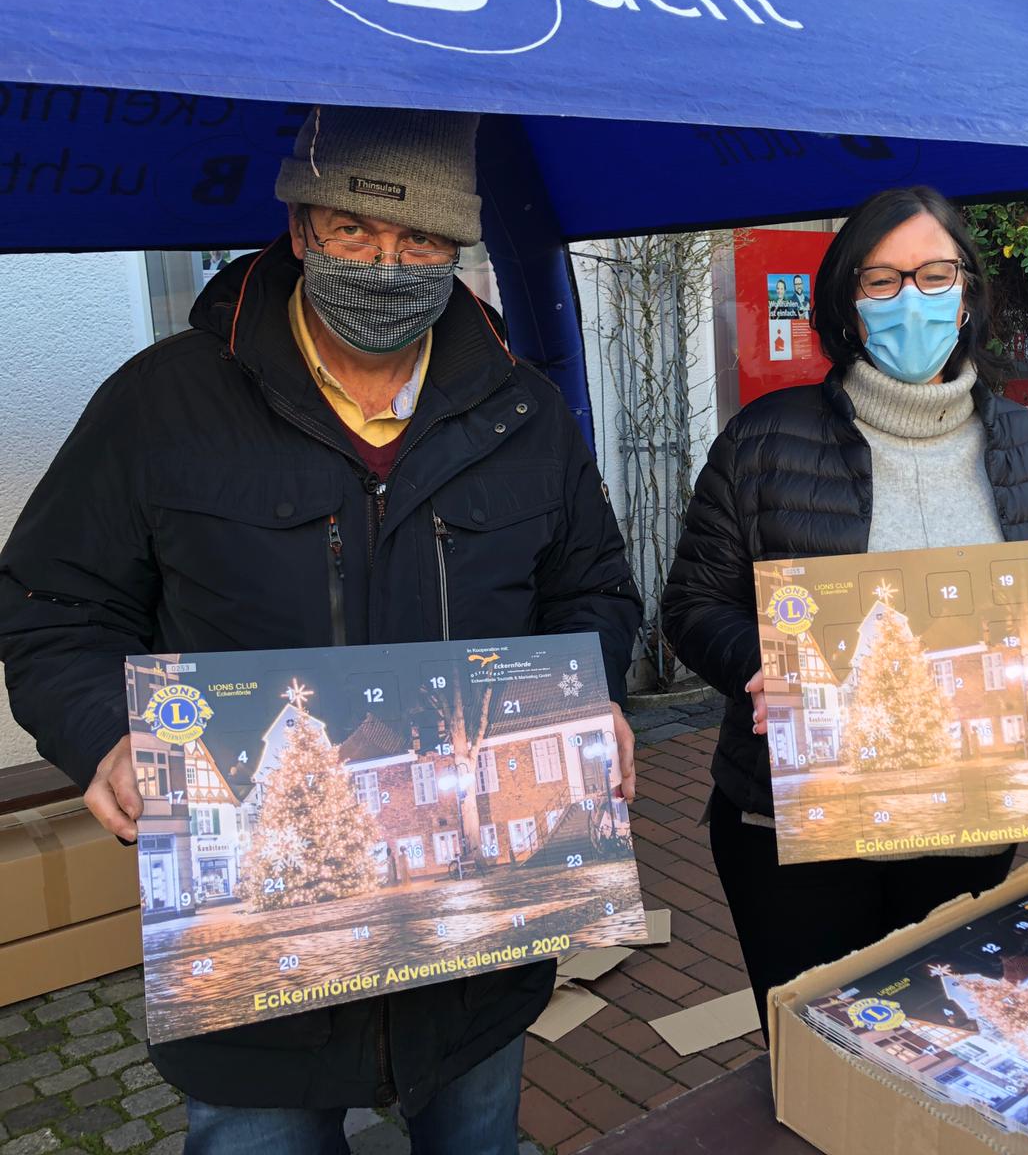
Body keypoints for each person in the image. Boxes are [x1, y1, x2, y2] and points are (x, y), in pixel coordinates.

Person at [0, 106, 642, 1154]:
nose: (387, 266)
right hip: (254, 985)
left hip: (474, 958)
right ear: (299, 228)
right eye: (353, 229)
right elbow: (53, 606)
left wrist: (585, 698)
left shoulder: (524, 413)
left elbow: (595, 593)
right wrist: (103, 733)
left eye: (421, 238)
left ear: (460, 244)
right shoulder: (161, 405)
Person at [661, 185, 1028, 1027]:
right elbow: (694, 603)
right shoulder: (762, 439)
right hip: (796, 827)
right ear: (846, 302)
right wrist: (759, 664)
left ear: (968, 291)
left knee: (940, 1039)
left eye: (934, 274)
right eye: (882, 280)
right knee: (816, 1051)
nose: (911, 299)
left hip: (969, 831)